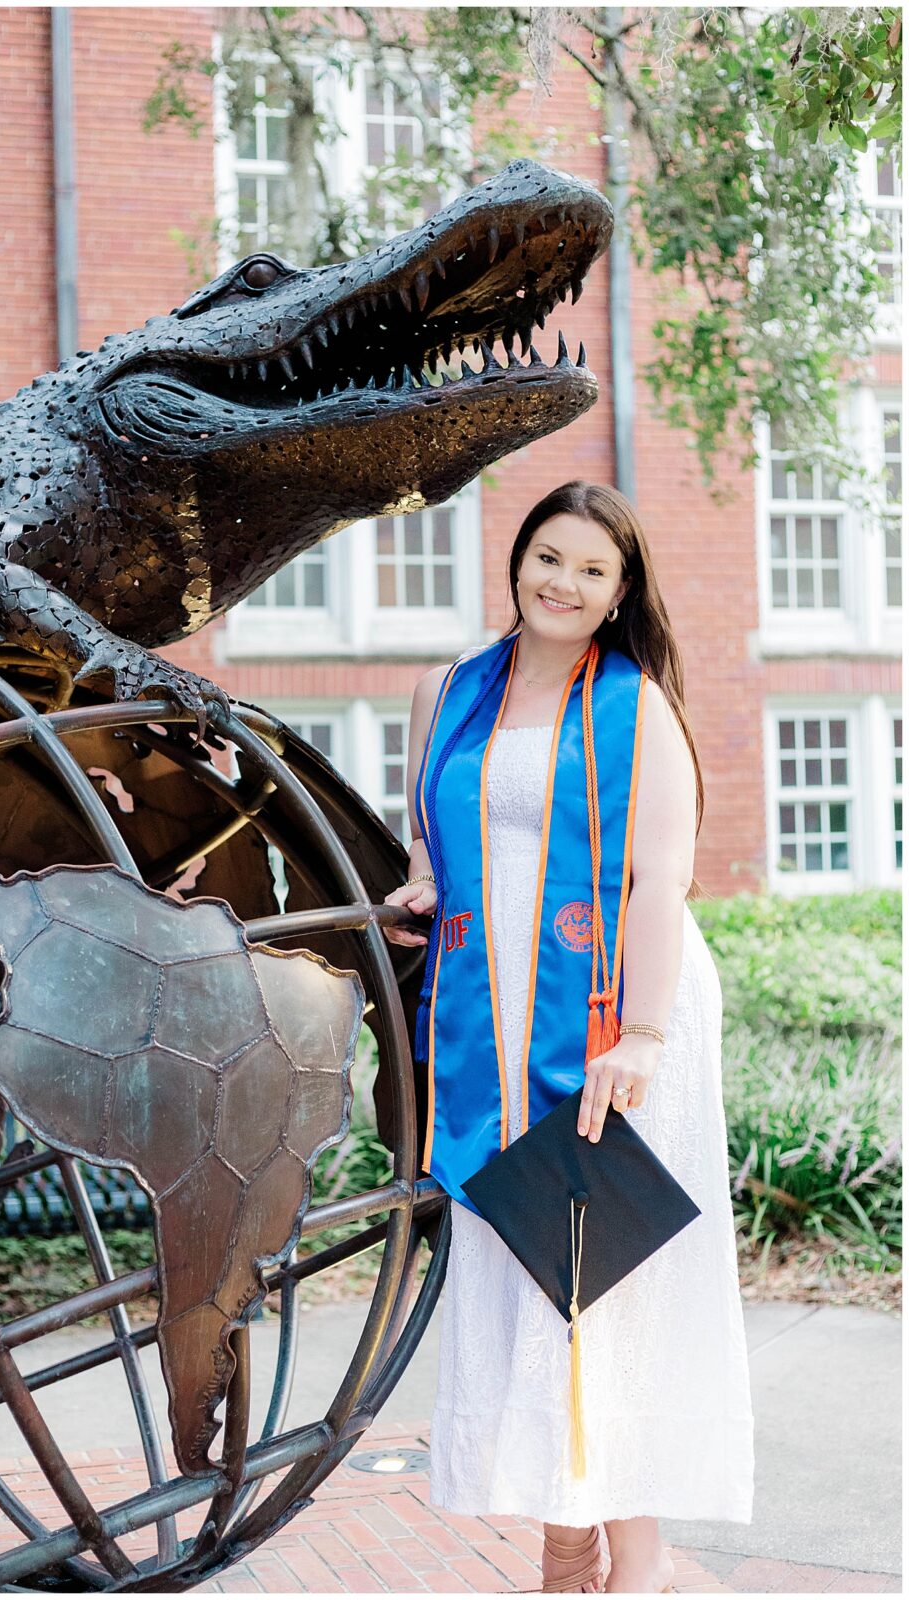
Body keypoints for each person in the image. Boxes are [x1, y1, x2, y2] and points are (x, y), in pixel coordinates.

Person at [383, 482, 754, 1594]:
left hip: (618, 1011)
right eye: (550, 556)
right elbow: (429, 836)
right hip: (487, 1014)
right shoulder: (445, 690)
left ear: (620, 590)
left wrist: (640, 1033)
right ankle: (561, 1519)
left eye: (593, 569)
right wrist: (415, 884)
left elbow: (658, 881)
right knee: (527, 1266)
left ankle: (628, 1560)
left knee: (615, 1285)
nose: (565, 582)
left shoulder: (638, 708)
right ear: (518, 561)